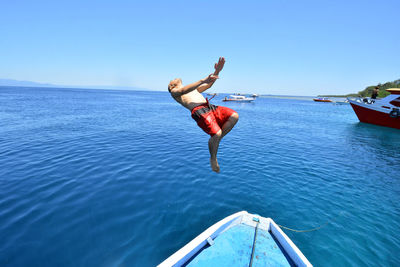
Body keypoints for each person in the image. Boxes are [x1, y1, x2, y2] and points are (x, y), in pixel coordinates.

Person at [168, 57, 239, 173]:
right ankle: (213, 158)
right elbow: (183, 90)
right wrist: (202, 80)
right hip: (199, 111)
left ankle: (215, 141)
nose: (174, 78)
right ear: (171, 86)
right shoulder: (175, 92)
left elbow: (208, 85)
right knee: (216, 133)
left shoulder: (192, 89)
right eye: (172, 80)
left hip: (209, 107)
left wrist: (217, 71)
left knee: (234, 116)